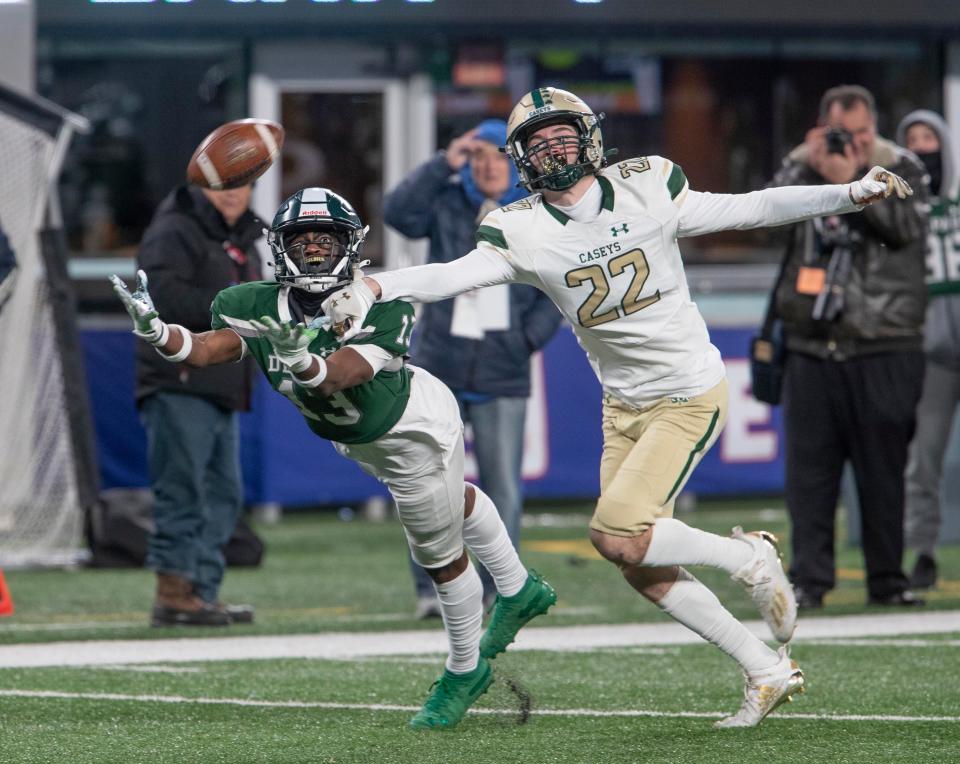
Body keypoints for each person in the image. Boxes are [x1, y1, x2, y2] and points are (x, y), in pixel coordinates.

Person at [322, 86, 914, 728]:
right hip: (623, 404)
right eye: (538, 143)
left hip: (687, 390)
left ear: (590, 138)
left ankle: (750, 558)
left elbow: (755, 206)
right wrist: (377, 283)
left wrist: (849, 192)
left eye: (562, 136)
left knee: (616, 532)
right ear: (522, 158)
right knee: (636, 563)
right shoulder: (518, 226)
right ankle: (766, 669)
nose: (553, 150)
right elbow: (451, 274)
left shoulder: (647, 185)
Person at [111, 187, 557, 730]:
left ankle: (465, 669)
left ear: (351, 246)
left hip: (413, 431)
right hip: (361, 440)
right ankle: (517, 586)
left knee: (439, 557)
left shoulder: (381, 303)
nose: (316, 250)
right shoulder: (250, 302)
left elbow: (341, 376)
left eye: (327, 239)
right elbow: (211, 348)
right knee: (454, 501)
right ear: (280, 248)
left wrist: (301, 359)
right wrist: (162, 335)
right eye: (303, 240)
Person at [383, 119, 562, 618]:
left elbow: (558, 283)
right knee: (428, 478)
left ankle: (501, 588)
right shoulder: (445, 200)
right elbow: (398, 212)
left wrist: (526, 339)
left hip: (503, 366)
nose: (488, 165)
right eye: (478, 155)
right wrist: (445, 159)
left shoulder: (536, 213)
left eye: (498, 155)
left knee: (503, 486)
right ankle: (430, 589)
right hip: (440, 362)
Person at [770, 85, 929, 610]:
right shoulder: (801, 170)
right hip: (812, 346)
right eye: (841, 134)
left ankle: (888, 579)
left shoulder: (902, 166)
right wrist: (805, 165)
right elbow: (766, 223)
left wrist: (852, 185)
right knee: (809, 476)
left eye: (861, 134)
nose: (851, 144)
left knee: (884, 472)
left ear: (875, 129)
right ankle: (810, 581)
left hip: (884, 342)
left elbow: (905, 230)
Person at [131, 180, 263, 627]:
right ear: (201, 185)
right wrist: (240, 305)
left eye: (242, 183)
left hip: (222, 383)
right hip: (179, 381)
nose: (233, 193)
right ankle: (173, 593)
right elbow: (160, 299)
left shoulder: (243, 236)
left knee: (224, 496)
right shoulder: (173, 230)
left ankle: (202, 592)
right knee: (182, 490)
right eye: (221, 184)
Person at [896, 110, 960, 590]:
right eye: (912, 140)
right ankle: (922, 551)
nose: (923, 148)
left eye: (929, 139)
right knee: (924, 457)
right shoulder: (901, 208)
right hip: (929, 346)